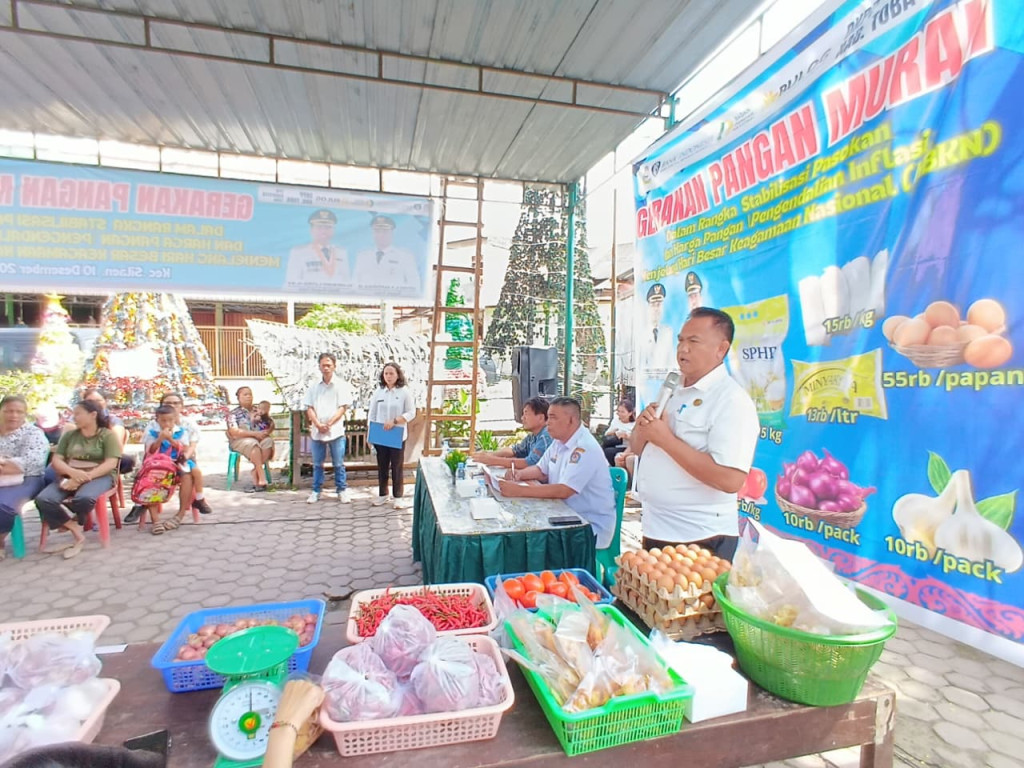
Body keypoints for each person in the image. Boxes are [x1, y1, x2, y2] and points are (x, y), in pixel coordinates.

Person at [631, 307, 759, 561]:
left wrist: (665, 440)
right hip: (657, 528)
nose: (683, 349)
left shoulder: (731, 401)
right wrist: (643, 430)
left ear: (721, 349)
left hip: (700, 538)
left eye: (693, 341)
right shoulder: (672, 389)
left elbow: (730, 480)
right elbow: (638, 448)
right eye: (680, 340)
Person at [498, 396, 616, 550]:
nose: (548, 423)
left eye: (553, 417)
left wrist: (519, 490)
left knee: (529, 542)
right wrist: (519, 475)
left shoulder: (585, 447)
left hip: (587, 526)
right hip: (563, 513)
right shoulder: (559, 441)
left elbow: (564, 490)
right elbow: (540, 470)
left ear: (571, 420)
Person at [34, 400, 122, 560]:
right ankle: (73, 526)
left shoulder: (107, 435)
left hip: (99, 475)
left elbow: (111, 463)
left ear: (93, 415)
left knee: (85, 498)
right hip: (71, 474)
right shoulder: (69, 435)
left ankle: (79, 518)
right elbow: (57, 460)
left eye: (78, 414)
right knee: (44, 499)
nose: (74, 417)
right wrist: (72, 473)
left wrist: (83, 478)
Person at [0, 395, 50, 560]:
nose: (14, 415)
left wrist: (7, 464)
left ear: (25, 414)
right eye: (9, 411)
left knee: (3, 504)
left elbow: (34, 461)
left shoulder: (33, 433)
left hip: (28, 478)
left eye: (19, 412)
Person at [303, 352, 352, 504]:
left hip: (335, 430)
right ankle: (316, 491)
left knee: (338, 463)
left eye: (329, 365)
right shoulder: (313, 387)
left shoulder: (341, 385)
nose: (326, 368)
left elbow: (342, 408)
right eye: (323, 365)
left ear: (334, 366)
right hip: (317, 430)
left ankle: (342, 490)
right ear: (319, 366)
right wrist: (318, 424)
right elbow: (309, 407)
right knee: (317, 463)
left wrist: (329, 424)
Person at [366, 361, 416, 509]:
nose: (388, 376)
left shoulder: (404, 392)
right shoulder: (378, 392)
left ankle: (398, 496)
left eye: (391, 373)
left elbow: (411, 412)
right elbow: (372, 414)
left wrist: (395, 421)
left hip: (397, 434)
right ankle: (383, 494)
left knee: (397, 466)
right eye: (386, 373)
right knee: (382, 465)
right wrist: (370, 434)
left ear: (397, 375)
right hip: (381, 433)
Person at [140, 405, 194, 535]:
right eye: (163, 421)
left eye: (170, 420)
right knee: (151, 480)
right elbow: (150, 451)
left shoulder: (181, 431)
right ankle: (155, 520)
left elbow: (184, 449)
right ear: (157, 420)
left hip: (176, 464)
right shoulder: (152, 432)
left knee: (187, 477)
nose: (167, 423)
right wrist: (160, 439)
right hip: (157, 465)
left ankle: (179, 515)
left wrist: (170, 439)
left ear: (175, 419)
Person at [471, 397, 552, 470]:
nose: (522, 418)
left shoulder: (546, 436)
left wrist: (493, 460)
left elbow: (530, 463)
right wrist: (490, 455)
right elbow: (514, 450)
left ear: (541, 418)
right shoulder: (532, 436)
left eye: (526, 414)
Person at [284, 209, 350, 292]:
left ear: (333, 230)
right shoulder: (298, 253)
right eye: (319, 227)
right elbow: (291, 284)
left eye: (328, 227)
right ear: (311, 230)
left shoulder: (342, 252)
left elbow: (346, 282)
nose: (323, 231)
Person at [225, 386, 274, 493]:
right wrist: (254, 434)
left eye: (250, 394)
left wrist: (266, 432)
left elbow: (270, 423)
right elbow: (234, 431)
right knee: (253, 443)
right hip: (240, 440)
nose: (248, 397)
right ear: (238, 397)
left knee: (268, 442)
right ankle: (261, 476)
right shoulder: (233, 414)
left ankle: (255, 471)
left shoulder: (258, 410)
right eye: (245, 394)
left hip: (259, 437)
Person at [353, 215, 418, 294]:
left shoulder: (405, 257)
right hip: (366, 302)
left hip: (393, 302)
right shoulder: (363, 256)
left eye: (385, 231)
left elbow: (414, 287)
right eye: (377, 231)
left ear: (392, 233)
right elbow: (355, 284)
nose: (381, 235)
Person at [81, 388, 135, 476]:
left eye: (98, 401)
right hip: (77, 458)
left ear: (105, 402)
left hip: (104, 459)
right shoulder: (75, 419)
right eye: (90, 401)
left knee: (126, 461)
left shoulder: (114, 421)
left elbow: (116, 448)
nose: (94, 404)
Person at [644, 282, 677, 371]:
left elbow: (671, 360)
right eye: (653, 304)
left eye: (659, 304)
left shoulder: (668, 332)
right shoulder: (641, 332)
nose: (656, 309)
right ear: (648, 307)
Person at [601, 398, 636, 466]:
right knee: (605, 448)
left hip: (629, 447)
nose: (620, 414)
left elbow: (638, 439)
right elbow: (607, 434)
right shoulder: (616, 421)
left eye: (622, 412)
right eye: (618, 411)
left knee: (610, 452)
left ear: (630, 413)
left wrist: (626, 435)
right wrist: (615, 433)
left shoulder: (635, 424)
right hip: (616, 445)